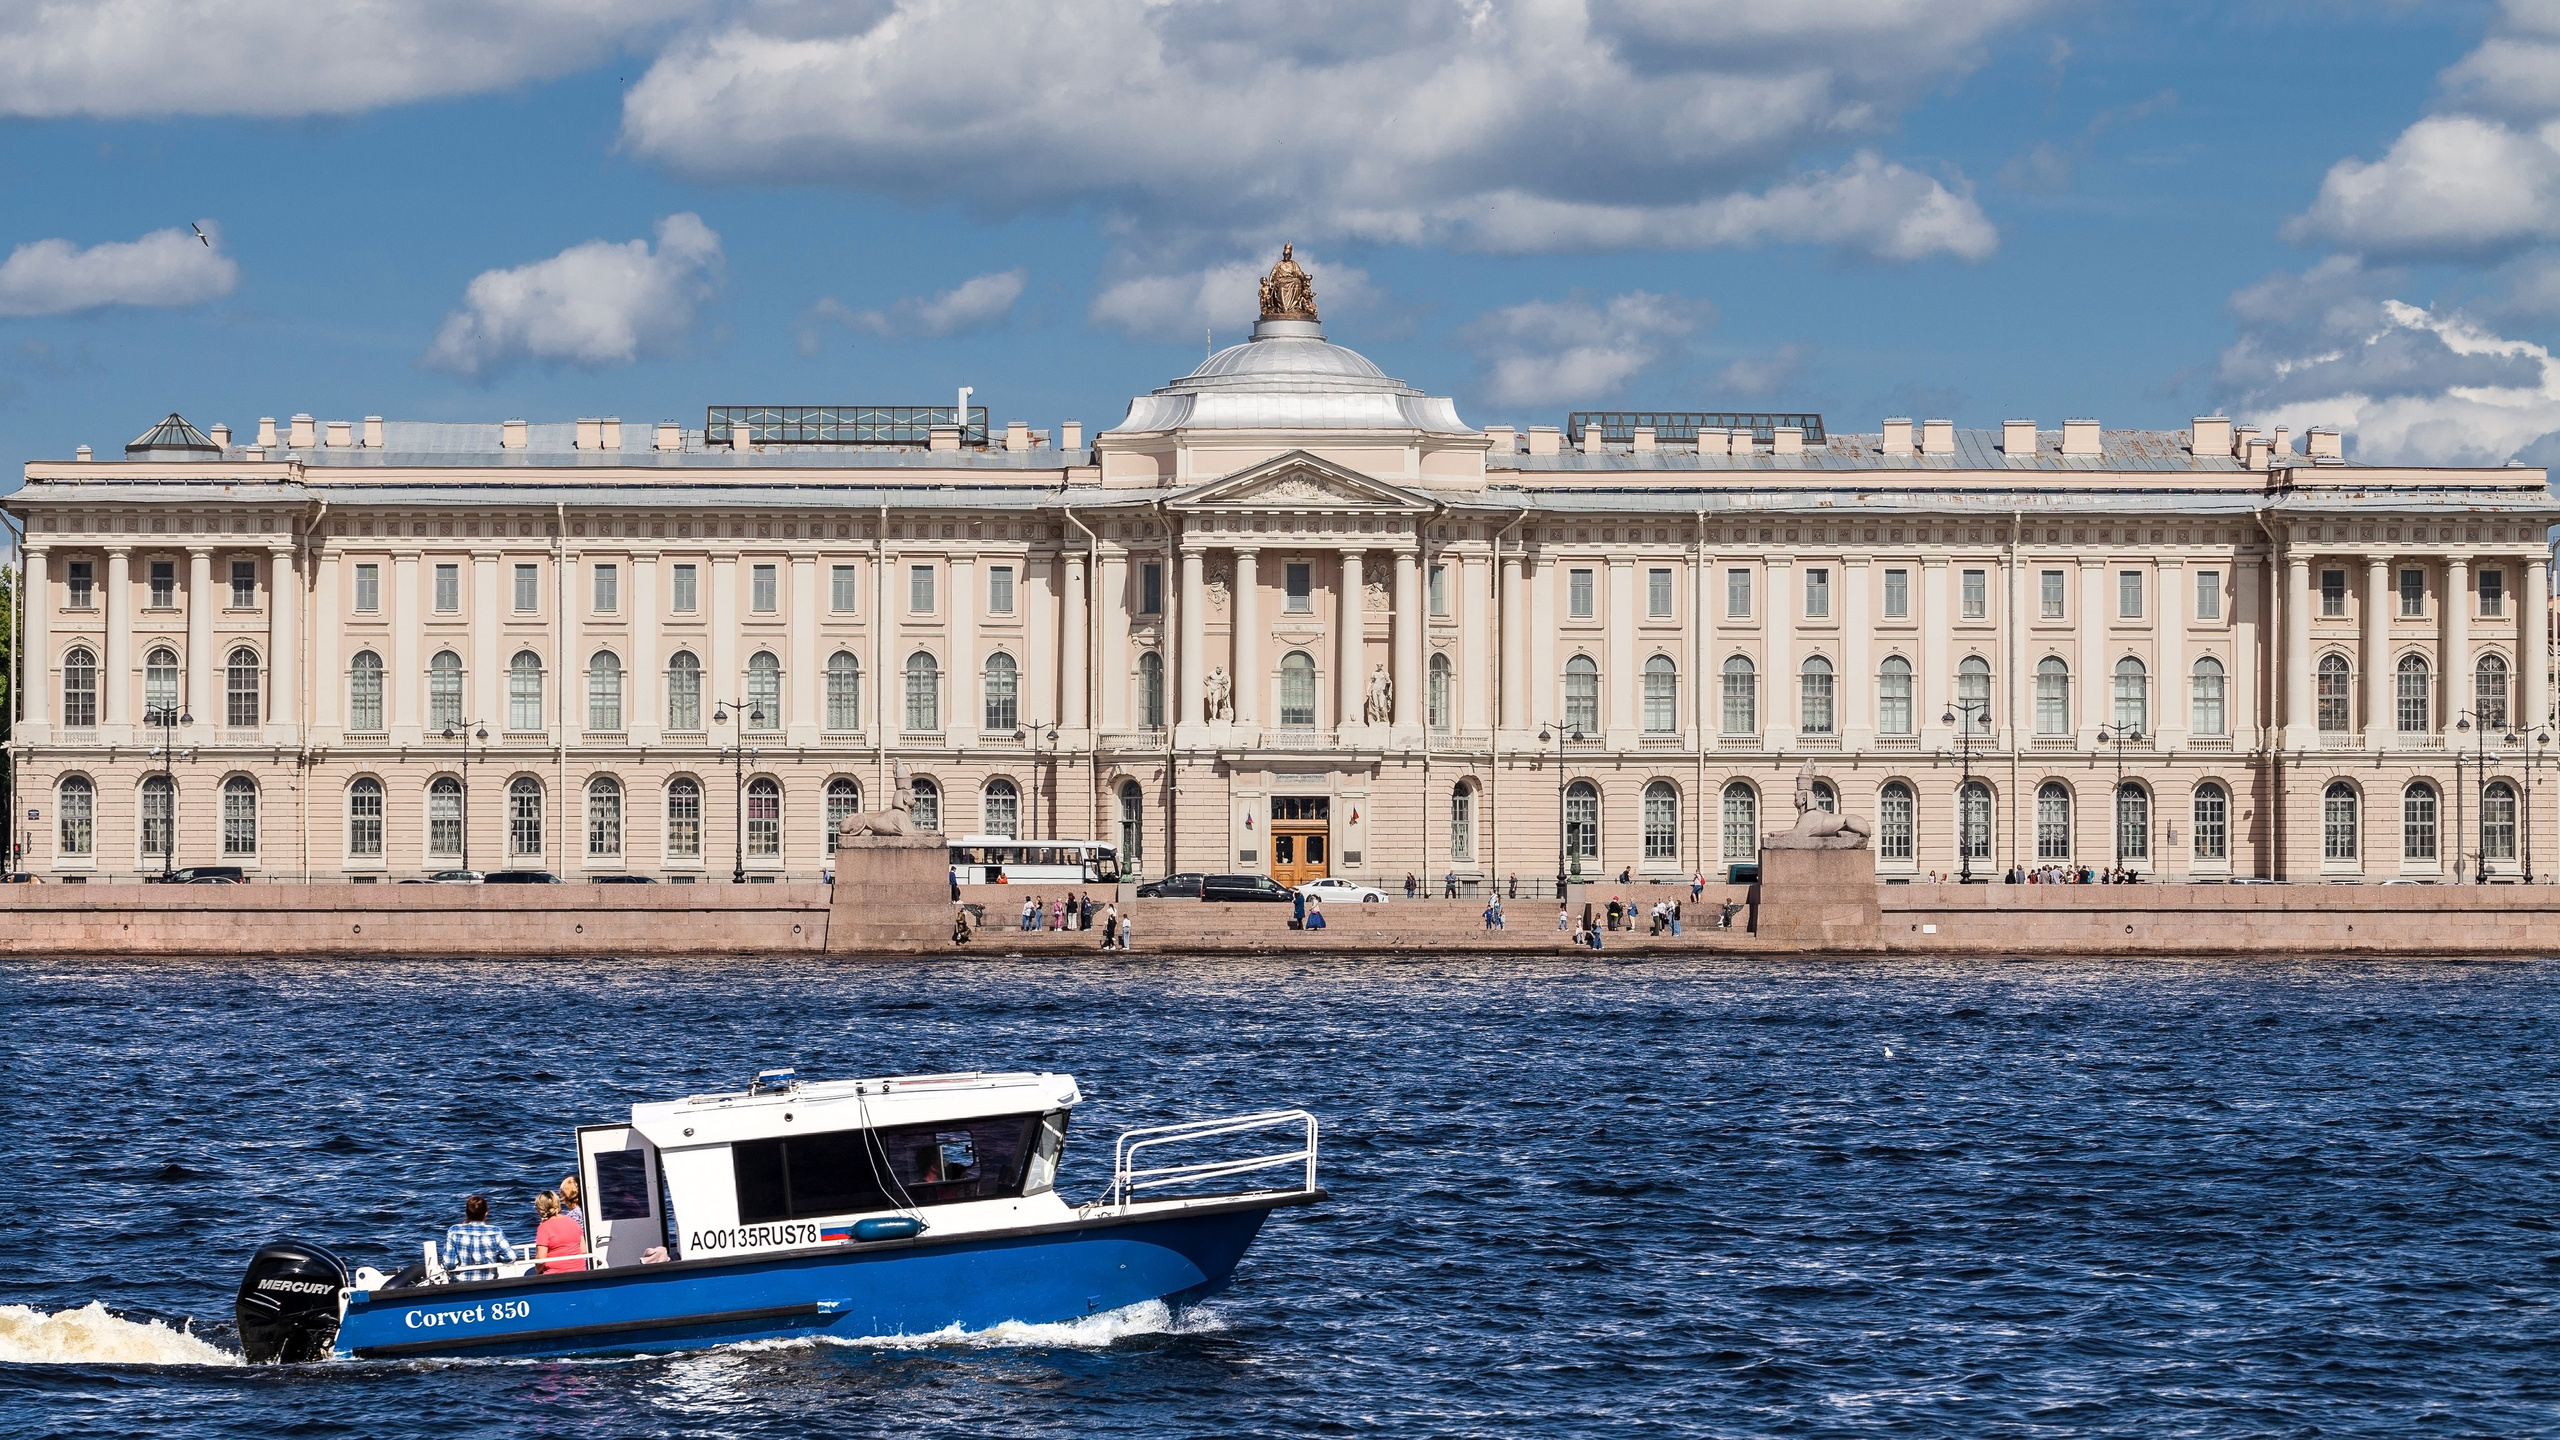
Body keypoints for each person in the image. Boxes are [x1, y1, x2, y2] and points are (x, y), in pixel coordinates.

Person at [441, 1194, 513, 1278]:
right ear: (486, 1213)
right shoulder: (496, 1232)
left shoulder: (454, 1231)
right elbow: (510, 1257)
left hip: (461, 1285)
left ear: (467, 1213)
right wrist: (495, 1258)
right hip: (489, 1284)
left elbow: (450, 1264)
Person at [534, 1191, 585, 1275]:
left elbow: (541, 1259)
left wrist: (536, 1272)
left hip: (555, 1276)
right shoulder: (573, 1222)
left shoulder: (544, 1227)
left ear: (540, 1209)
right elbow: (583, 1250)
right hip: (580, 1273)